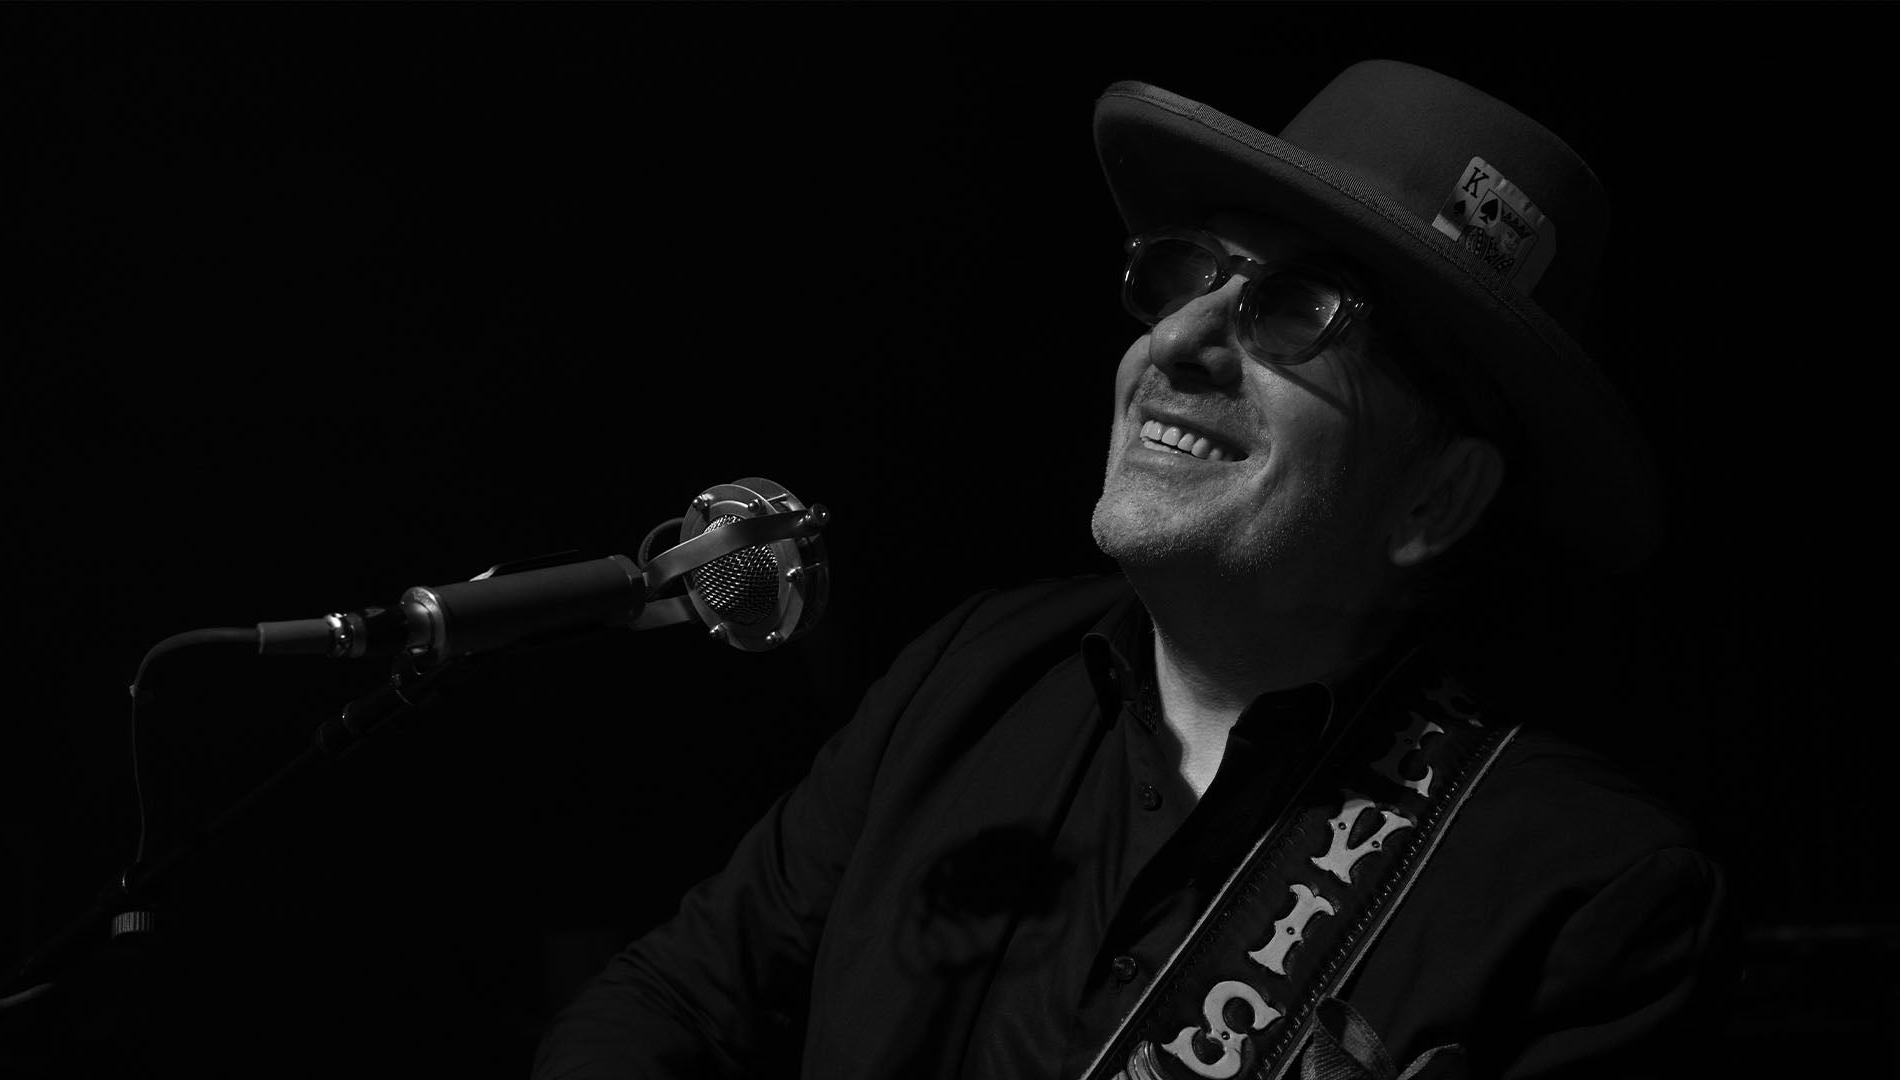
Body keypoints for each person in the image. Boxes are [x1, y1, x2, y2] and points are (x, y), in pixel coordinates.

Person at [532, 61, 1733, 1080]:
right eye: (1192, 276)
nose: (1178, 340)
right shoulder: (969, 674)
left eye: (1298, 309)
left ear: (1437, 497)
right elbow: (674, 1001)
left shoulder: (1585, 894)